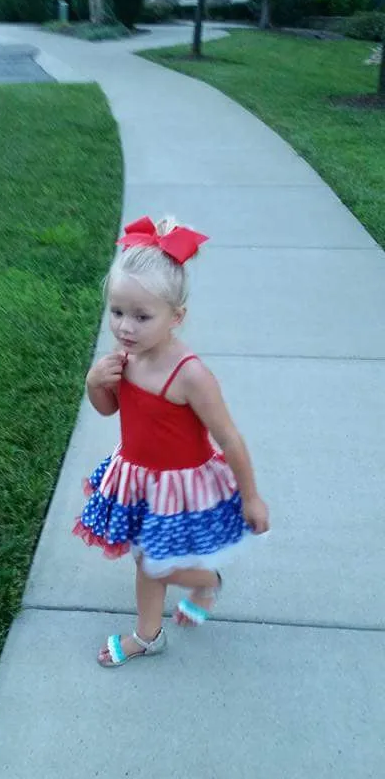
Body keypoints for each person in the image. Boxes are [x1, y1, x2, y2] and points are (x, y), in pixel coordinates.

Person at [73, 215, 270, 667]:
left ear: (175, 317)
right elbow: (110, 410)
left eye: (142, 316)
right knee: (147, 559)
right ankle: (197, 589)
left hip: (180, 487)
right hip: (138, 477)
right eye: (117, 312)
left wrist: (252, 497)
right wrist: (94, 382)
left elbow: (230, 438)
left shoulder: (191, 375)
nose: (125, 326)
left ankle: (159, 624)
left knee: (152, 564)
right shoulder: (125, 357)